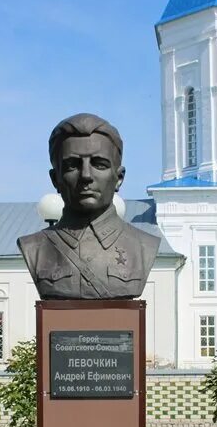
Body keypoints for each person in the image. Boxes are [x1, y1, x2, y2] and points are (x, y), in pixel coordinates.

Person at [18, 113, 161, 300]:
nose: (86, 175)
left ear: (119, 178)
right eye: (72, 166)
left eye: (99, 165)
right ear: (55, 179)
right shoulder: (35, 247)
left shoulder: (143, 246)